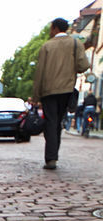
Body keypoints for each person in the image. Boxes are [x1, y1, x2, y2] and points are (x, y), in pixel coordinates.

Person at [32, 17, 89, 169]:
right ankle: (53, 154)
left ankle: (51, 158)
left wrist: (36, 96)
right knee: (57, 122)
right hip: (66, 89)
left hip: (48, 90)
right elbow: (83, 65)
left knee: (51, 121)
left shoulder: (47, 46)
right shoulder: (76, 44)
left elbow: (40, 72)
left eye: (51, 28)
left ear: (56, 28)